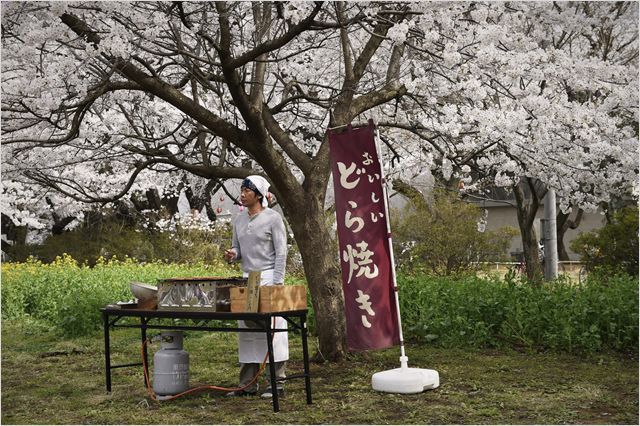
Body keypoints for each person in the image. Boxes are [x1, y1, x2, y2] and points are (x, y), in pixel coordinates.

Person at [224, 175, 288, 398]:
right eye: (241, 190)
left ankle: (276, 383)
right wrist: (233, 255)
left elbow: (281, 252)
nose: (242, 194)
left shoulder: (273, 218)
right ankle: (247, 384)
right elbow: (237, 249)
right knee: (247, 332)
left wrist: (278, 283)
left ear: (259, 195)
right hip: (246, 280)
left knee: (274, 333)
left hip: (269, 278)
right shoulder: (239, 220)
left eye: (246, 191)